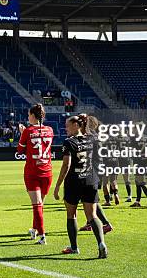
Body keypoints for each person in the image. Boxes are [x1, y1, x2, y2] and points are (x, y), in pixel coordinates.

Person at [53, 114, 108, 259]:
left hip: (74, 182)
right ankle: (101, 243)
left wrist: (57, 185)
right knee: (92, 215)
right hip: (90, 180)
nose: (65, 128)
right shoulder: (92, 139)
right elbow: (98, 160)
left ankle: (74, 247)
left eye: (67, 125)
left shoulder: (68, 142)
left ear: (76, 125)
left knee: (72, 215)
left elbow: (66, 164)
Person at [17, 103, 54, 245]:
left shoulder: (28, 131)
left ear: (33, 116)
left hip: (33, 172)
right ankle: (34, 229)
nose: (28, 117)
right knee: (39, 204)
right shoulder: (50, 130)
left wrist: (22, 133)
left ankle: (43, 236)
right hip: (47, 172)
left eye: (28, 115)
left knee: (37, 204)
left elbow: (20, 150)